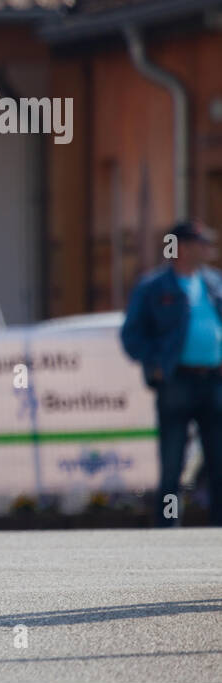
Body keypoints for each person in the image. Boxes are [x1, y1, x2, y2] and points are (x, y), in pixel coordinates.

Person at [120, 219, 222, 526]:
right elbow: (132, 335)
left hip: (214, 380)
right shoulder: (154, 287)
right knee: (173, 458)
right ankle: (168, 526)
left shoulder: (214, 283)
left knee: (219, 458)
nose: (208, 249)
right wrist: (157, 365)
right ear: (184, 247)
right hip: (177, 380)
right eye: (202, 243)